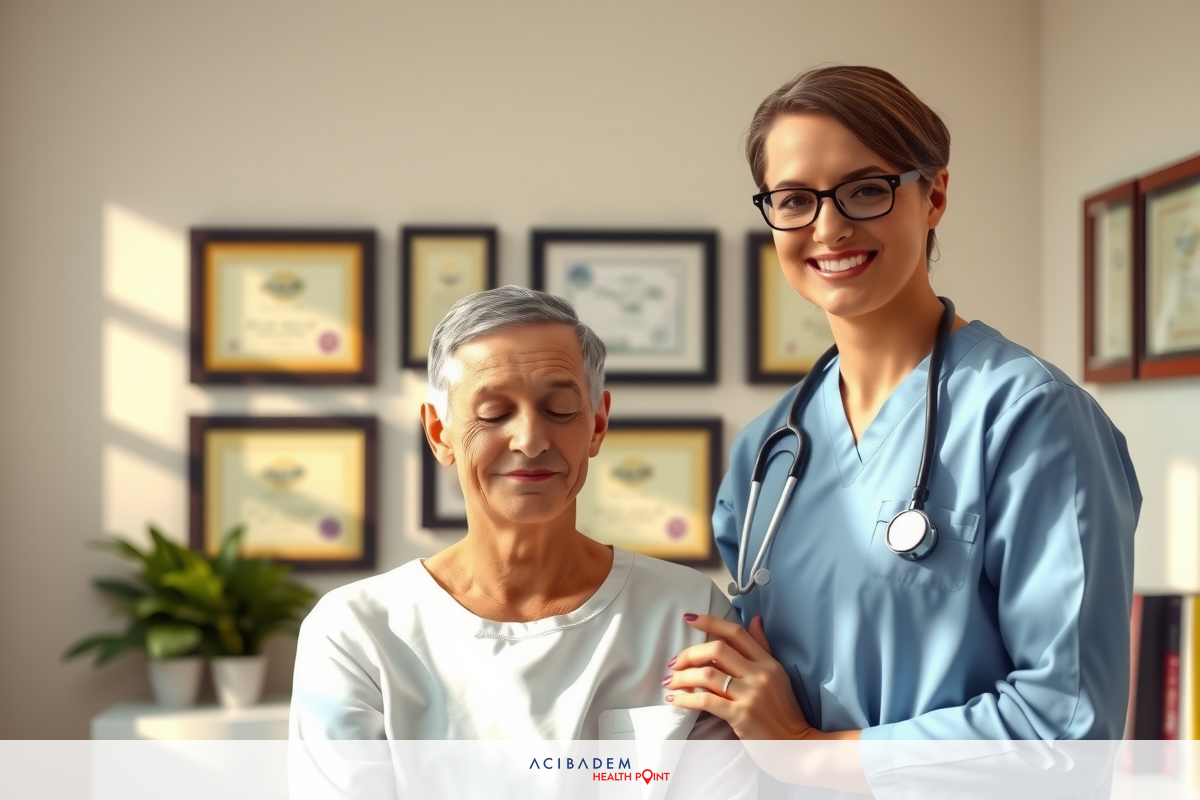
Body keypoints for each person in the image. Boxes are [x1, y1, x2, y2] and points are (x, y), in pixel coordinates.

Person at [663, 66, 1141, 758]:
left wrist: (811, 751)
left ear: (933, 195)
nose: (829, 228)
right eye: (794, 200)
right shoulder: (768, 450)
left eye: (865, 190)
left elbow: (1065, 725)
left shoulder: (1031, 418)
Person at [290, 286, 739, 749]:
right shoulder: (356, 630)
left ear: (597, 425)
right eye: (494, 413)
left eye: (559, 409)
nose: (530, 440)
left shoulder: (689, 615)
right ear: (439, 432)